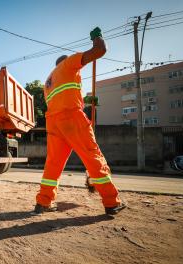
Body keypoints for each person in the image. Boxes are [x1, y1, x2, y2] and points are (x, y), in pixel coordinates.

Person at [34, 27, 126, 215]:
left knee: (53, 164)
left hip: (54, 122)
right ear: (67, 61)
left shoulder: (49, 80)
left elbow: (65, 96)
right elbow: (100, 50)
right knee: (93, 157)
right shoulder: (69, 64)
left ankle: (43, 202)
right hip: (72, 118)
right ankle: (111, 202)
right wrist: (97, 38)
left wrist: (85, 101)